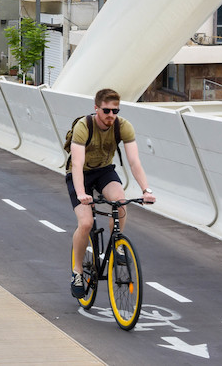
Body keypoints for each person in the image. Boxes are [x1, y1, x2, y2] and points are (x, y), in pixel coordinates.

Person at [67, 88, 156, 298]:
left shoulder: (122, 126)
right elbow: (77, 164)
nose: (111, 115)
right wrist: (81, 193)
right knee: (86, 223)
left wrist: (146, 189)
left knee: (120, 201)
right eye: (106, 110)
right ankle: (78, 271)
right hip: (81, 175)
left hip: (104, 171)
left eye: (115, 111)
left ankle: (117, 246)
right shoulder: (84, 127)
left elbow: (134, 161)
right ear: (96, 108)